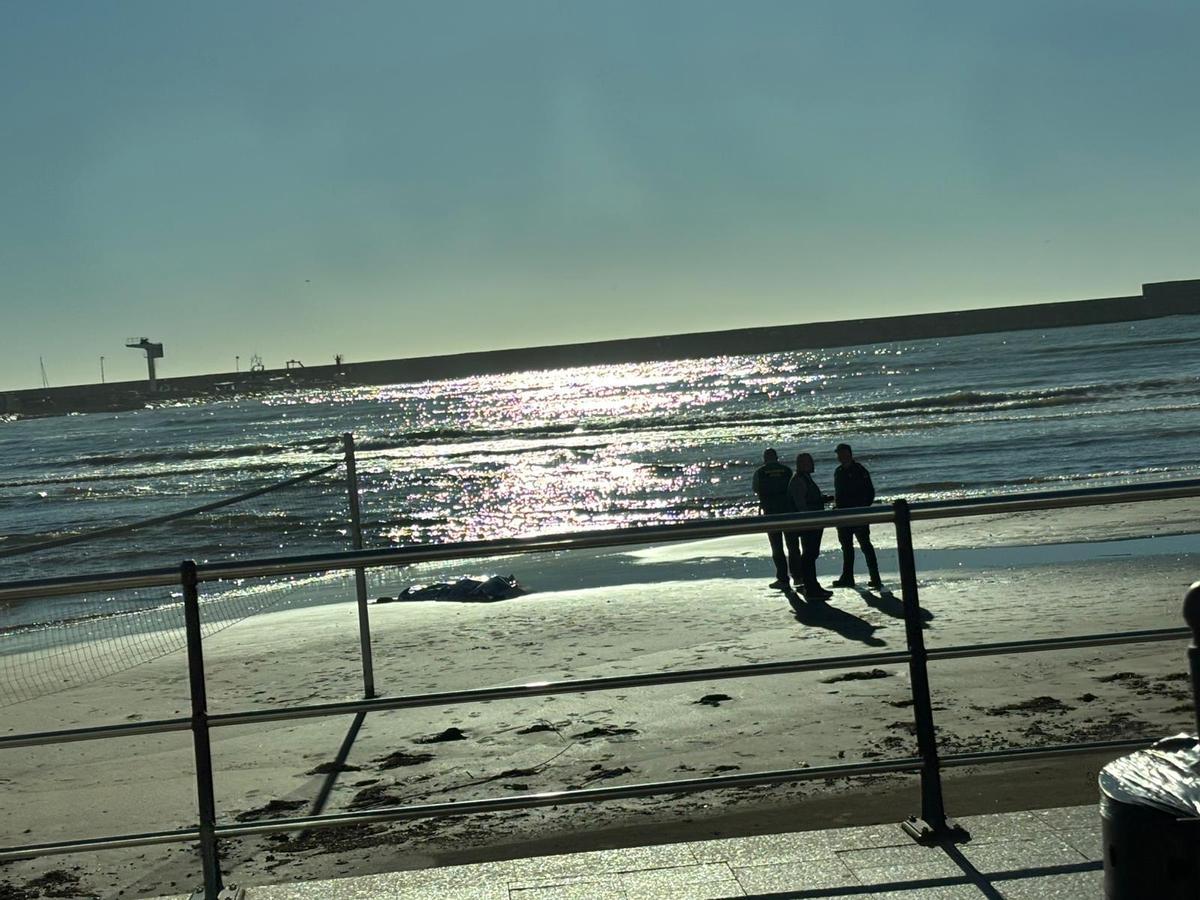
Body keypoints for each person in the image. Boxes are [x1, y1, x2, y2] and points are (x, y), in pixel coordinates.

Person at [832, 442, 882, 589]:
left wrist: (863, 509)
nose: (841, 457)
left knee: (865, 545)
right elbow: (839, 494)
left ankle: (875, 577)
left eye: (843, 453)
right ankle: (847, 577)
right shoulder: (838, 471)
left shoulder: (860, 470)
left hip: (859, 515)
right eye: (839, 454)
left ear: (849, 454)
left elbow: (870, 492)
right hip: (843, 515)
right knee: (846, 547)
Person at [752, 448, 800, 589]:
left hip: (771, 514)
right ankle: (797, 576)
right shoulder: (787, 470)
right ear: (777, 457)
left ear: (765, 458)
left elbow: (755, 489)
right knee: (793, 546)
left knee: (777, 547)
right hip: (787, 512)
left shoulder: (760, 472)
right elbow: (793, 489)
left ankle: (782, 578)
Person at [788, 453, 832, 599]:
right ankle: (811, 587)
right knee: (809, 554)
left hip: (813, 521)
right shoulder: (799, 480)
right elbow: (801, 505)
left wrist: (821, 500)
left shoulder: (804, 478)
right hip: (809, 523)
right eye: (809, 462)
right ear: (802, 464)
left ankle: (812, 585)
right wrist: (810, 520)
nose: (813, 464)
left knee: (811, 554)